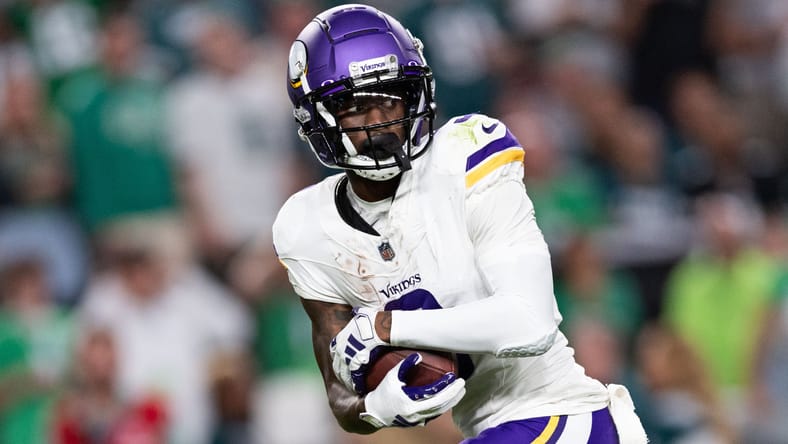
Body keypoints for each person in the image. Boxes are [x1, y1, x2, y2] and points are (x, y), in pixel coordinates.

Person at [272, 4, 647, 443]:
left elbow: (530, 322)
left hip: (563, 417)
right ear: (316, 118)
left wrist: (386, 326)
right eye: (356, 107)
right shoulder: (305, 226)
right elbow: (340, 393)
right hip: (486, 428)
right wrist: (376, 408)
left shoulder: (466, 154)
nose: (380, 122)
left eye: (390, 98)